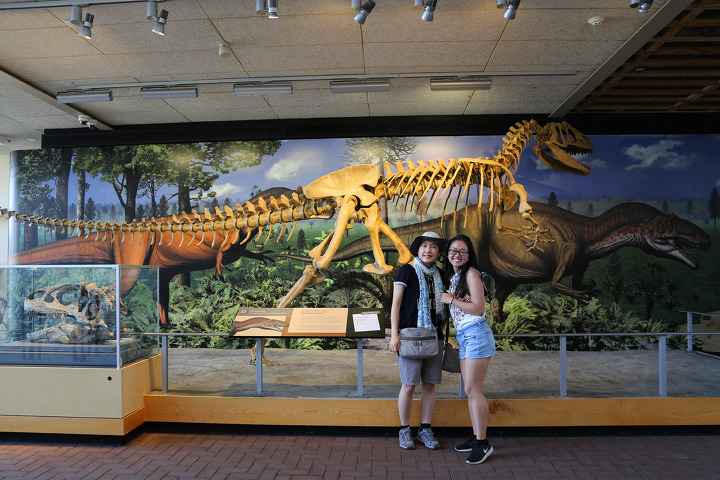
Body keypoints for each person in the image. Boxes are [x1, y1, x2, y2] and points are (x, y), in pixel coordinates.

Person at [440, 234, 496, 465]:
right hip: (465, 336)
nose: (457, 255)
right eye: (453, 250)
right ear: (447, 254)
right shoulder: (455, 276)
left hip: (476, 334)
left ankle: (483, 444)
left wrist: (450, 300)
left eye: (463, 251)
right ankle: (476, 438)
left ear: (469, 255)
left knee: (474, 390)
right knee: (470, 390)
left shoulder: (471, 274)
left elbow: (478, 307)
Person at [389, 231, 447, 451]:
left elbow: (443, 308)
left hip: (433, 337)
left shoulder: (441, 274)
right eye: (424, 246)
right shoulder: (406, 271)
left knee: (430, 385)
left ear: (439, 252)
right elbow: (395, 305)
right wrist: (395, 335)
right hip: (410, 337)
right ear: (418, 249)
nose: (428, 250)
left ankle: (425, 428)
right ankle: (404, 430)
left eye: (433, 247)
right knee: (408, 385)